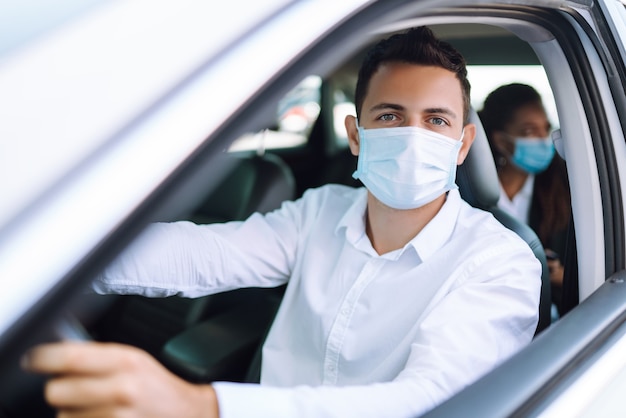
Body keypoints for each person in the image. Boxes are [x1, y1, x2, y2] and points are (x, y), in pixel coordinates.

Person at [22, 27, 541, 418]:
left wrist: (202, 405)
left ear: (462, 144)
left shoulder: (499, 262)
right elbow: (201, 255)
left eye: (436, 120)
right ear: (356, 136)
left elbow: (431, 399)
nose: (413, 135)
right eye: (389, 116)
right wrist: (51, 254)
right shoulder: (321, 211)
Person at [478, 83, 570, 315]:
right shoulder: (471, 189)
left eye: (545, 129)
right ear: (501, 141)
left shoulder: (566, 187)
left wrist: (561, 276)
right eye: (529, 131)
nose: (542, 139)